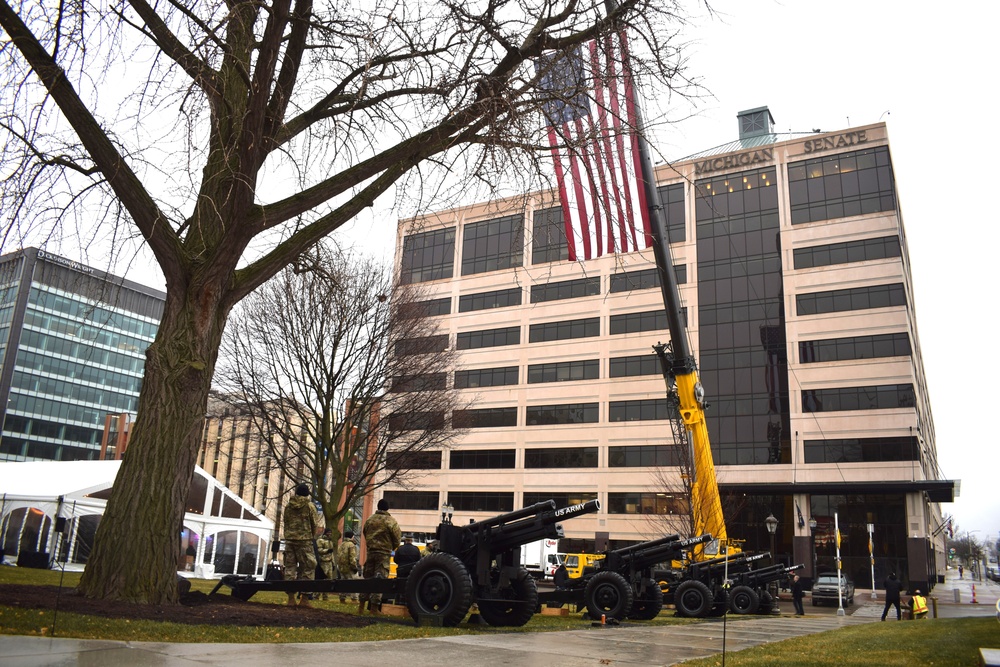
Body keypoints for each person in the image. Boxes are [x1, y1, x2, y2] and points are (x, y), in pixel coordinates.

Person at [281, 483, 321, 607]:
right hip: (305, 541)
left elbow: (285, 522)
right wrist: (311, 536)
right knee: (309, 568)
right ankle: (304, 599)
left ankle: (291, 599)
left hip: (290, 540)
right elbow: (315, 523)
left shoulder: (288, 506)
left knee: (290, 568)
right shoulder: (310, 506)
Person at [359, 498, 401, 613]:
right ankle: (374, 608)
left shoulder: (370, 520)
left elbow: (365, 532)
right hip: (383, 554)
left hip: (371, 552)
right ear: (387, 508)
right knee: (379, 580)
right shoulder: (390, 521)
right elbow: (397, 538)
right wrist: (391, 547)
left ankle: (361, 606)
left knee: (367, 578)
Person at [336, 530, 360, 604]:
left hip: (341, 567)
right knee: (354, 583)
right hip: (349, 568)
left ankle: (342, 599)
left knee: (343, 584)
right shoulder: (351, 545)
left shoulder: (341, 544)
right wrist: (354, 567)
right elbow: (352, 557)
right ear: (352, 536)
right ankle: (354, 599)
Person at [315, 528, 337, 600]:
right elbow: (318, 550)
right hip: (323, 562)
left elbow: (332, 554)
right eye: (328, 532)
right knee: (321, 579)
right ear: (325, 533)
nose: (329, 534)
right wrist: (327, 550)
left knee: (328, 580)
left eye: (330, 532)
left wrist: (333, 563)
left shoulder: (330, 541)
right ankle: (316, 595)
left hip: (329, 562)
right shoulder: (320, 540)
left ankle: (325, 596)